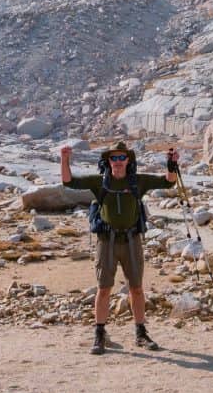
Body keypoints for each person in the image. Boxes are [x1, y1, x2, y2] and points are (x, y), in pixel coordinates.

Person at [60, 141, 178, 355]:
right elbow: (68, 182)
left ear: (128, 160)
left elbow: (168, 183)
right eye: (113, 158)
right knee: (104, 288)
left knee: (137, 288)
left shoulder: (138, 181)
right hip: (107, 241)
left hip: (132, 241)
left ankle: (141, 333)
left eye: (121, 158)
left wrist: (171, 164)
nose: (117, 162)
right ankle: (99, 334)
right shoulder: (99, 182)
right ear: (108, 161)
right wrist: (65, 159)